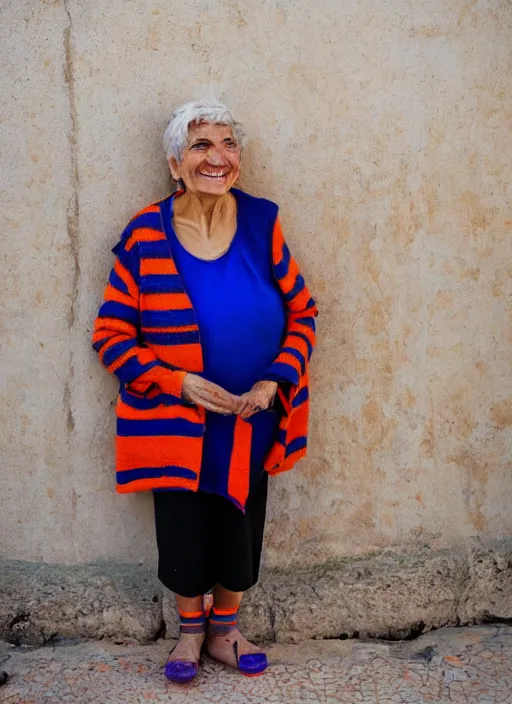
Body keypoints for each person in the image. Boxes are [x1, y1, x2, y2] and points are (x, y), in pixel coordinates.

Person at [92, 99, 317, 682]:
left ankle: (227, 632)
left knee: (240, 530)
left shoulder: (264, 221)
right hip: (175, 422)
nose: (217, 158)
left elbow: (304, 312)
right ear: (174, 163)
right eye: (200, 146)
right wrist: (178, 381)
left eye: (228, 145)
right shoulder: (145, 234)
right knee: (185, 531)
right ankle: (189, 636)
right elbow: (111, 336)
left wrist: (276, 378)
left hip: (251, 416)